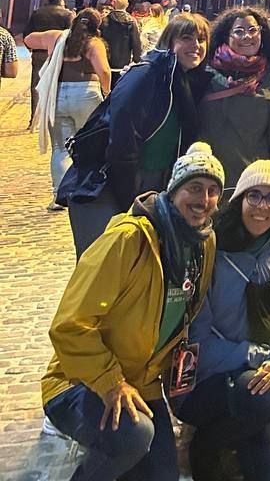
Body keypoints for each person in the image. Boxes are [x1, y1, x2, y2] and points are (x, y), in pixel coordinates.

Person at [42, 141, 223, 481]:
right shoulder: (128, 240)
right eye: (195, 188)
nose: (204, 200)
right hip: (79, 380)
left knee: (161, 474)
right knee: (134, 436)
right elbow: (68, 326)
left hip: (142, 384)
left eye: (213, 191)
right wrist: (111, 383)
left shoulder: (203, 243)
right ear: (174, 190)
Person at [173, 159, 270, 481]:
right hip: (206, 380)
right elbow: (198, 340)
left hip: (257, 380)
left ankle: (236, 440)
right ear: (239, 200)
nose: (262, 206)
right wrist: (259, 355)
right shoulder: (209, 252)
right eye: (254, 196)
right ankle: (205, 444)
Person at [59, 13, 214, 258]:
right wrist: (129, 199)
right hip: (104, 186)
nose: (196, 45)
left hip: (149, 184)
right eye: (187, 38)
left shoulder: (183, 80)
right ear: (169, 40)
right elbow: (121, 140)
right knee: (103, 269)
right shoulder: (147, 74)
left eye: (202, 39)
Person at [198, 7, 270, 192]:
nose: (247, 36)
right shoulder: (203, 73)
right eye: (239, 31)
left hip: (250, 186)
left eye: (253, 30)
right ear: (225, 36)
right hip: (203, 182)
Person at [31, 8, 111, 212]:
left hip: (57, 96)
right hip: (86, 94)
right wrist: (107, 91)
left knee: (60, 148)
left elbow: (30, 39)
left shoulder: (58, 38)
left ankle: (60, 195)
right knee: (88, 144)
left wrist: (48, 45)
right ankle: (83, 190)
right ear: (97, 27)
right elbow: (103, 70)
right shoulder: (94, 44)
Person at [26, 0, 74, 127]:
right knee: (57, 84)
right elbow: (71, 36)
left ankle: (34, 119)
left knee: (36, 84)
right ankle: (52, 117)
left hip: (39, 53)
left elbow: (26, 33)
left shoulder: (37, 13)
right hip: (58, 53)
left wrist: (32, 47)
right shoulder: (67, 14)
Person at [100, 0, 142, 75]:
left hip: (106, 60)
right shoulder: (131, 21)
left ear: (114, 3)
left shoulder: (104, 20)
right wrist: (136, 60)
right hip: (124, 62)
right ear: (127, 5)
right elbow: (136, 43)